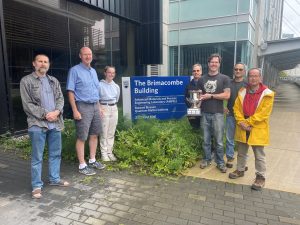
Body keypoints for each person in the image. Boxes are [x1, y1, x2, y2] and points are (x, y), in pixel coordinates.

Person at [20, 54, 69, 199]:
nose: (43, 64)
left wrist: (57, 112)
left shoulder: (54, 80)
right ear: (34, 63)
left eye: (45, 62)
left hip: (55, 123)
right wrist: (46, 114)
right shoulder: (26, 81)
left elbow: (60, 98)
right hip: (37, 124)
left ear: (49, 65)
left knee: (55, 154)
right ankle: (36, 185)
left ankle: (54, 179)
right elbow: (27, 104)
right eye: (40, 61)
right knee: (37, 157)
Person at [229, 68, 275, 191]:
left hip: (257, 127)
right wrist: (241, 122)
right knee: (241, 152)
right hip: (243, 126)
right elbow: (236, 108)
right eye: (250, 76)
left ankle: (260, 177)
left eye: (255, 76)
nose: (253, 78)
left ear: (260, 78)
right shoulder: (242, 91)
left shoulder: (267, 93)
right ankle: (240, 170)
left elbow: (263, 113)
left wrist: (247, 122)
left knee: (259, 155)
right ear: (247, 78)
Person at [67, 47, 105, 176]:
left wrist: (99, 107)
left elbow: (95, 91)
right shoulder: (74, 71)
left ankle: (92, 160)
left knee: (94, 134)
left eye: (89, 54)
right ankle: (82, 165)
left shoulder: (93, 71)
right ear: (80, 55)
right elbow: (70, 91)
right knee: (82, 136)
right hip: (82, 106)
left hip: (95, 105)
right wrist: (75, 110)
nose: (88, 56)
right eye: (85, 54)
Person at [199, 53, 230, 173]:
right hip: (204, 113)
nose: (214, 64)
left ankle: (220, 162)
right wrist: (194, 108)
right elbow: (199, 97)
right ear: (208, 63)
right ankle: (206, 159)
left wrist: (211, 95)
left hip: (218, 114)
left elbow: (227, 95)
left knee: (219, 141)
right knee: (205, 140)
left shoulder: (224, 78)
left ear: (219, 64)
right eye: (212, 62)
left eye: (216, 62)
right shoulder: (202, 79)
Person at [224, 63, 247, 168]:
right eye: (236, 69)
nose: (238, 71)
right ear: (234, 70)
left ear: (244, 71)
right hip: (230, 115)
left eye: (240, 69)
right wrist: (223, 107)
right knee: (230, 138)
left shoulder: (247, 85)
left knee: (243, 140)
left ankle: (242, 162)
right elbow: (223, 96)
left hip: (244, 117)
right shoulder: (228, 83)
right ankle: (230, 158)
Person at [99, 66, 120, 161]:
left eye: (113, 73)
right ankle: (104, 154)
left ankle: (109, 152)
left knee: (111, 132)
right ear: (105, 73)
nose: (111, 74)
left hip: (114, 108)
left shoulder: (116, 86)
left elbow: (117, 98)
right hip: (104, 107)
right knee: (104, 132)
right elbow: (96, 98)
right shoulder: (99, 85)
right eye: (109, 72)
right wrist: (100, 109)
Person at [184, 64, 202, 129]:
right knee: (194, 128)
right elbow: (185, 98)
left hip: (204, 111)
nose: (196, 72)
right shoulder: (188, 85)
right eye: (194, 71)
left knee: (205, 130)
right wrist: (191, 106)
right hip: (192, 111)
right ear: (192, 72)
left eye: (198, 70)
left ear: (201, 72)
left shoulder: (206, 84)